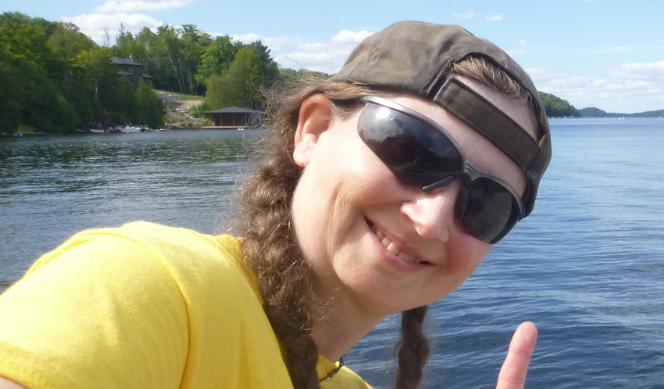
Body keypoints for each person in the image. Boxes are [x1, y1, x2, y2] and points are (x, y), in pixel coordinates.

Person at [0, 21, 552, 389]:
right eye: (415, 149)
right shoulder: (149, 288)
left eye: (485, 205)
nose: (432, 219)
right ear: (312, 130)